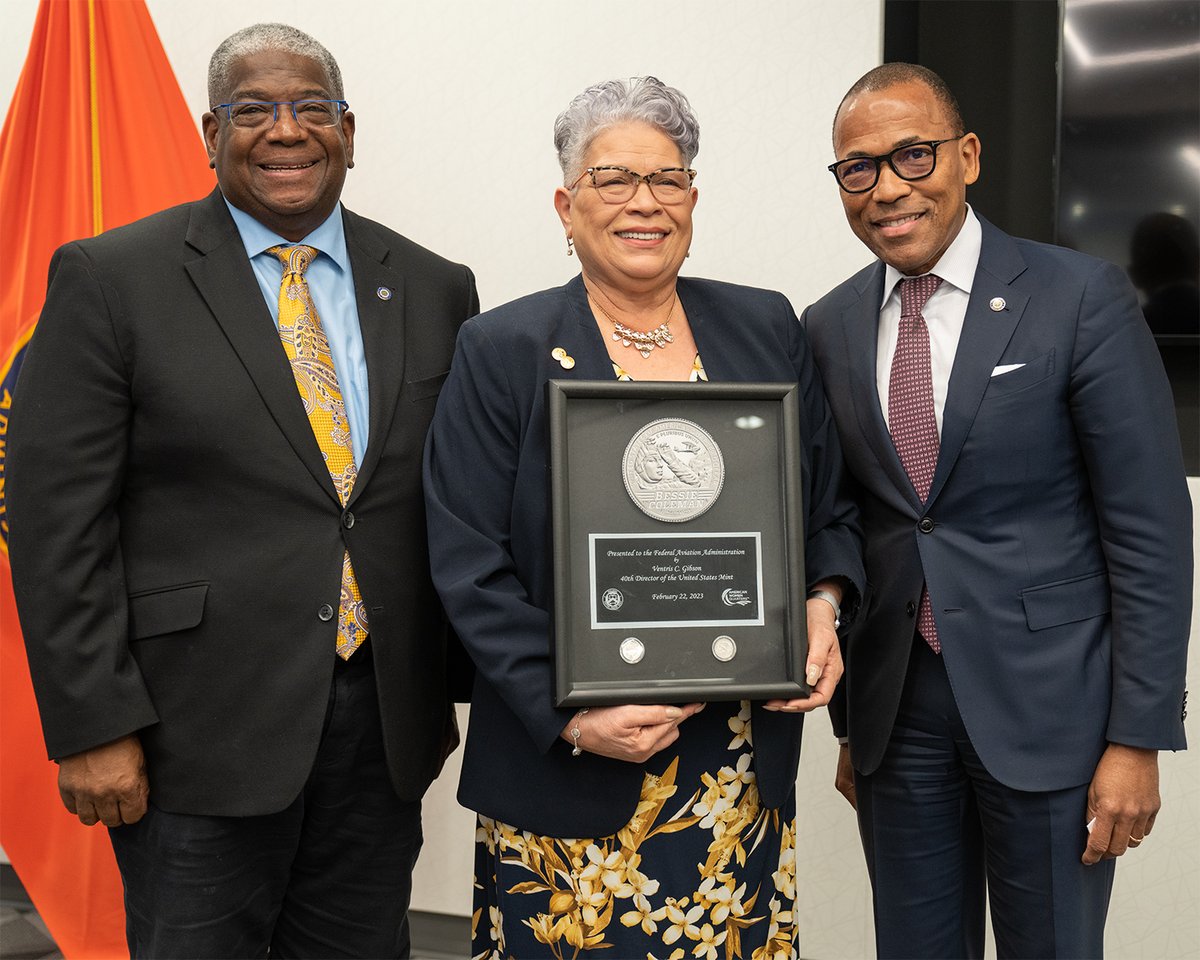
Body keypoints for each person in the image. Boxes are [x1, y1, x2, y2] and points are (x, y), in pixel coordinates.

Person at [6, 23, 478, 959]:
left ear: (349, 128)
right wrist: (93, 724)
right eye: (254, 109)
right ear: (209, 132)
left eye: (311, 107)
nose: (285, 130)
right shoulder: (111, 279)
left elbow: (455, 495)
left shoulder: (431, 285)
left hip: (381, 726)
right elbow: (56, 520)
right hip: (193, 733)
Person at [423, 76, 864, 960]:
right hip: (571, 767)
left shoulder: (764, 325)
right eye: (612, 179)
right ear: (566, 203)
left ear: (693, 198)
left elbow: (829, 509)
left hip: (735, 777)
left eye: (667, 179)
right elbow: (465, 561)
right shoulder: (501, 349)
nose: (643, 203)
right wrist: (572, 712)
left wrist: (822, 605)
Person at [802, 63, 1191, 959]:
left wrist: (1139, 737)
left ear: (967, 156)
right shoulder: (827, 325)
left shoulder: (1079, 299)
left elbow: (1150, 534)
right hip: (898, 714)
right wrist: (854, 723)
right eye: (858, 168)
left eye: (913, 154)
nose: (887, 187)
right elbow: (850, 521)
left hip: (1053, 712)